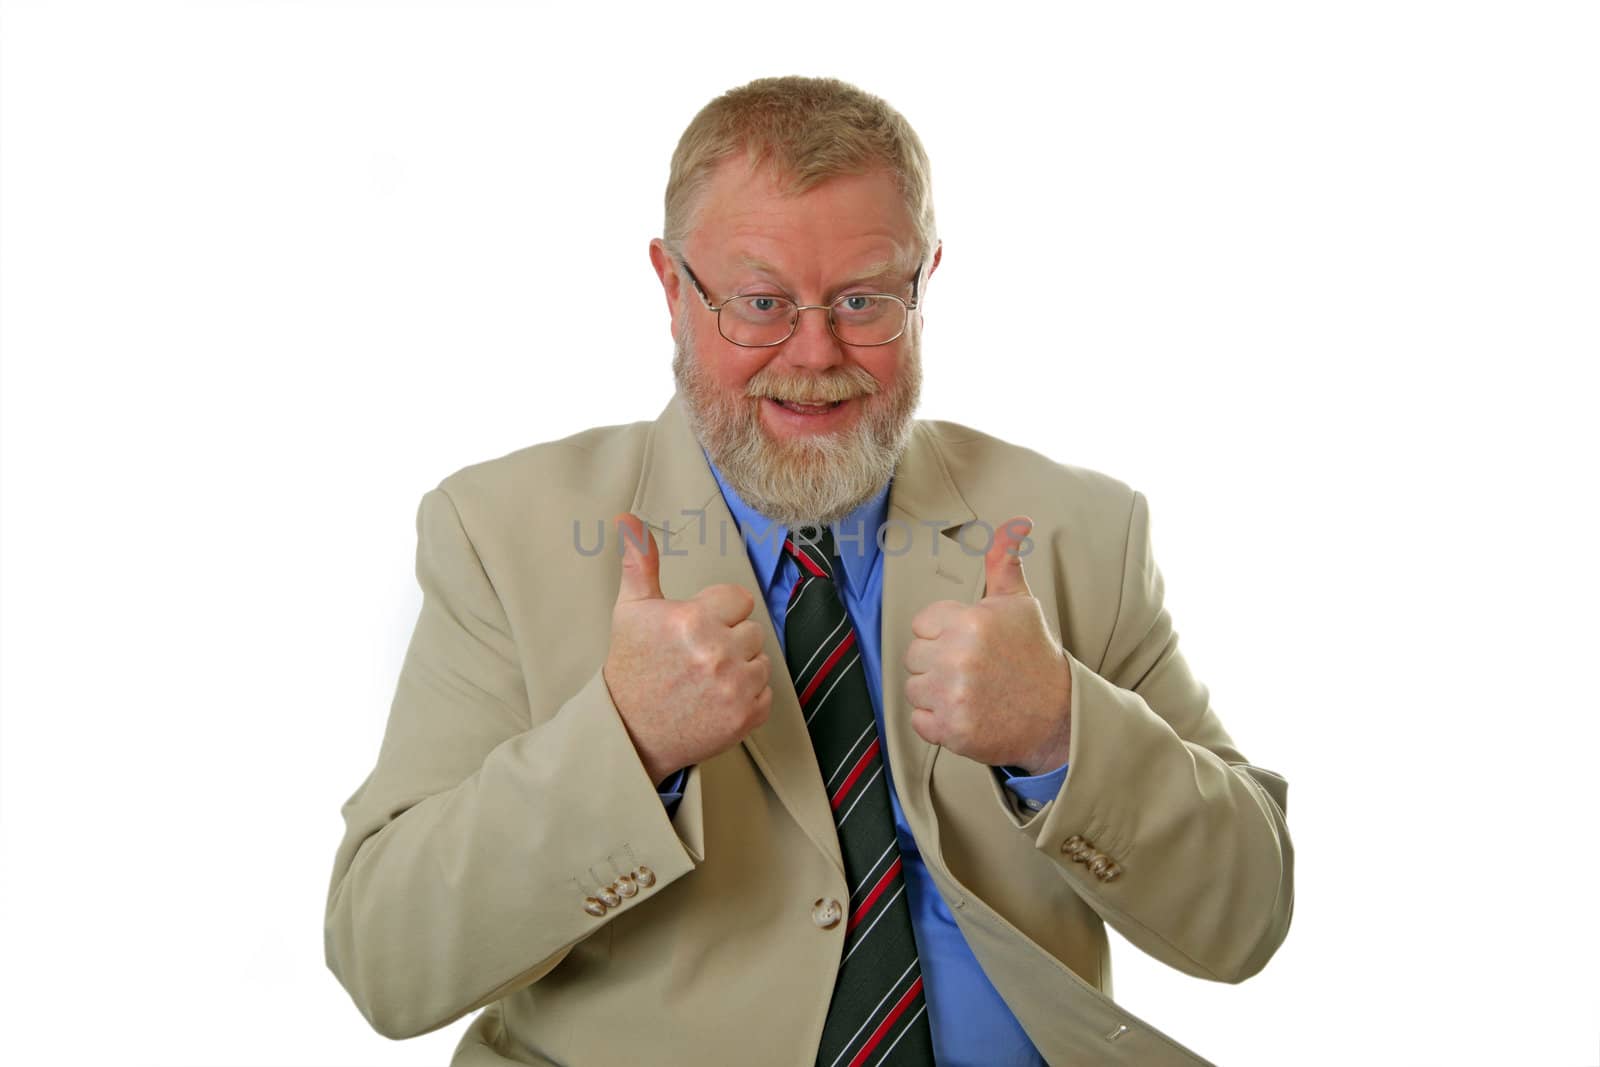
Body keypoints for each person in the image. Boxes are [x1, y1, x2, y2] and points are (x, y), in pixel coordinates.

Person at [323, 75, 1293, 1067]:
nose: (817, 352)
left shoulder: (1079, 528)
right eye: (759, 302)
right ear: (671, 289)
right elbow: (387, 962)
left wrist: (1060, 732)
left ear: (926, 281)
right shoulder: (500, 531)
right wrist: (622, 744)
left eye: (864, 299)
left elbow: (1245, 916)